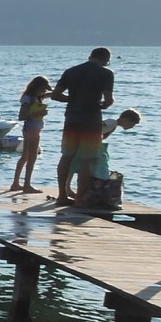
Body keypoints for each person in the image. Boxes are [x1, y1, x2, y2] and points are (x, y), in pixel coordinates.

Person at [50, 47, 115, 205]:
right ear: (105, 59)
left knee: (66, 156)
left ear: (90, 56)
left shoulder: (71, 71)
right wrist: (104, 104)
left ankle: (62, 195)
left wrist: (73, 99)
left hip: (71, 118)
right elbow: (108, 100)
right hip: (91, 119)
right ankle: (79, 198)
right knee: (87, 160)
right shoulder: (106, 73)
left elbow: (55, 95)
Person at [10, 76, 50, 193]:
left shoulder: (36, 96)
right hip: (31, 128)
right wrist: (38, 113)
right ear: (37, 87)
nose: (44, 91)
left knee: (26, 156)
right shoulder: (28, 98)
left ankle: (16, 183)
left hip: (32, 129)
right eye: (43, 89)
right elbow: (21, 116)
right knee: (32, 157)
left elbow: (50, 94)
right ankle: (27, 185)